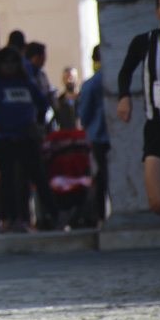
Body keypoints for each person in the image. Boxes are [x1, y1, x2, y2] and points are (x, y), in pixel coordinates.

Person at [0, 47, 59, 232]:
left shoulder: (27, 84)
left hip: (26, 138)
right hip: (2, 139)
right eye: (5, 62)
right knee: (7, 180)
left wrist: (37, 126)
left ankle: (55, 215)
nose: (9, 66)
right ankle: (11, 219)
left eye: (13, 62)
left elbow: (43, 104)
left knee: (39, 177)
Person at [117, 0, 160, 240]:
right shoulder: (143, 42)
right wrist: (124, 98)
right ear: (156, 12)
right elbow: (125, 71)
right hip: (158, 131)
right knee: (158, 203)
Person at [77, 45, 109, 227]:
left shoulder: (92, 83)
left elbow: (84, 112)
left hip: (98, 135)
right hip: (112, 135)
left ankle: (101, 216)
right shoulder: (114, 79)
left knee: (101, 176)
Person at [55, 66, 79, 130]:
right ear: (63, 80)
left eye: (71, 77)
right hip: (65, 136)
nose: (69, 80)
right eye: (67, 77)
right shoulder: (59, 102)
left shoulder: (83, 99)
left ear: (77, 79)